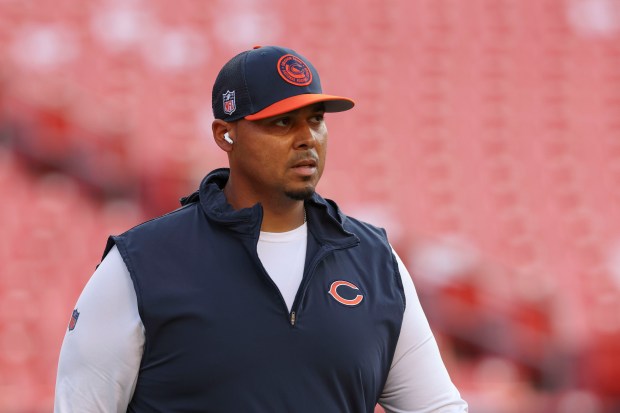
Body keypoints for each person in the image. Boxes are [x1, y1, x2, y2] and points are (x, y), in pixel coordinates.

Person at [54, 45, 468, 412]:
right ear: (225, 135)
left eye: (316, 119)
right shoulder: (140, 265)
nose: (308, 138)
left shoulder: (374, 260)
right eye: (283, 123)